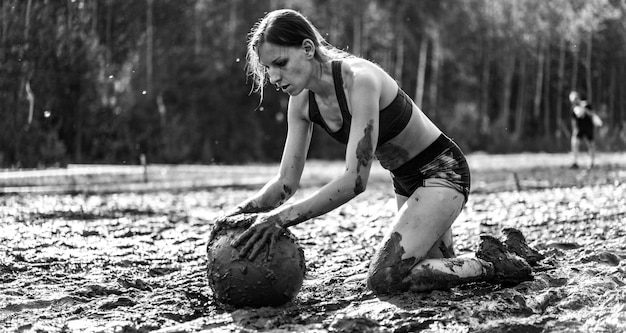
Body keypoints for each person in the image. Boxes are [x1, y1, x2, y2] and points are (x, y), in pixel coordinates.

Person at [212, 9, 541, 295]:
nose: (274, 77)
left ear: (308, 48)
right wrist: (236, 216)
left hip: (443, 173)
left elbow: (355, 180)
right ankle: (510, 251)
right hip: (407, 183)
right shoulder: (301, 102)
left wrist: (281, 219)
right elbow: (285, 182)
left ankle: (490, 263)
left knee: (385, 277)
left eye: (280, 63)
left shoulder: (360, 81)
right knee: (433, 272)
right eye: (268, 68)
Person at [569, 90, 601, 169]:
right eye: (573, 100)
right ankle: (575, 162)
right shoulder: (573, 109)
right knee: (575, 143)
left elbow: (592, 114)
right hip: (579, 129)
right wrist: (574, 131)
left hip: (588, 128)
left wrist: (584, 109)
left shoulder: (587, 105)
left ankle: (591, 163)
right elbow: (573, 121)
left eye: (576, 98)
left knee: (591, 145)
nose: (575, 101)